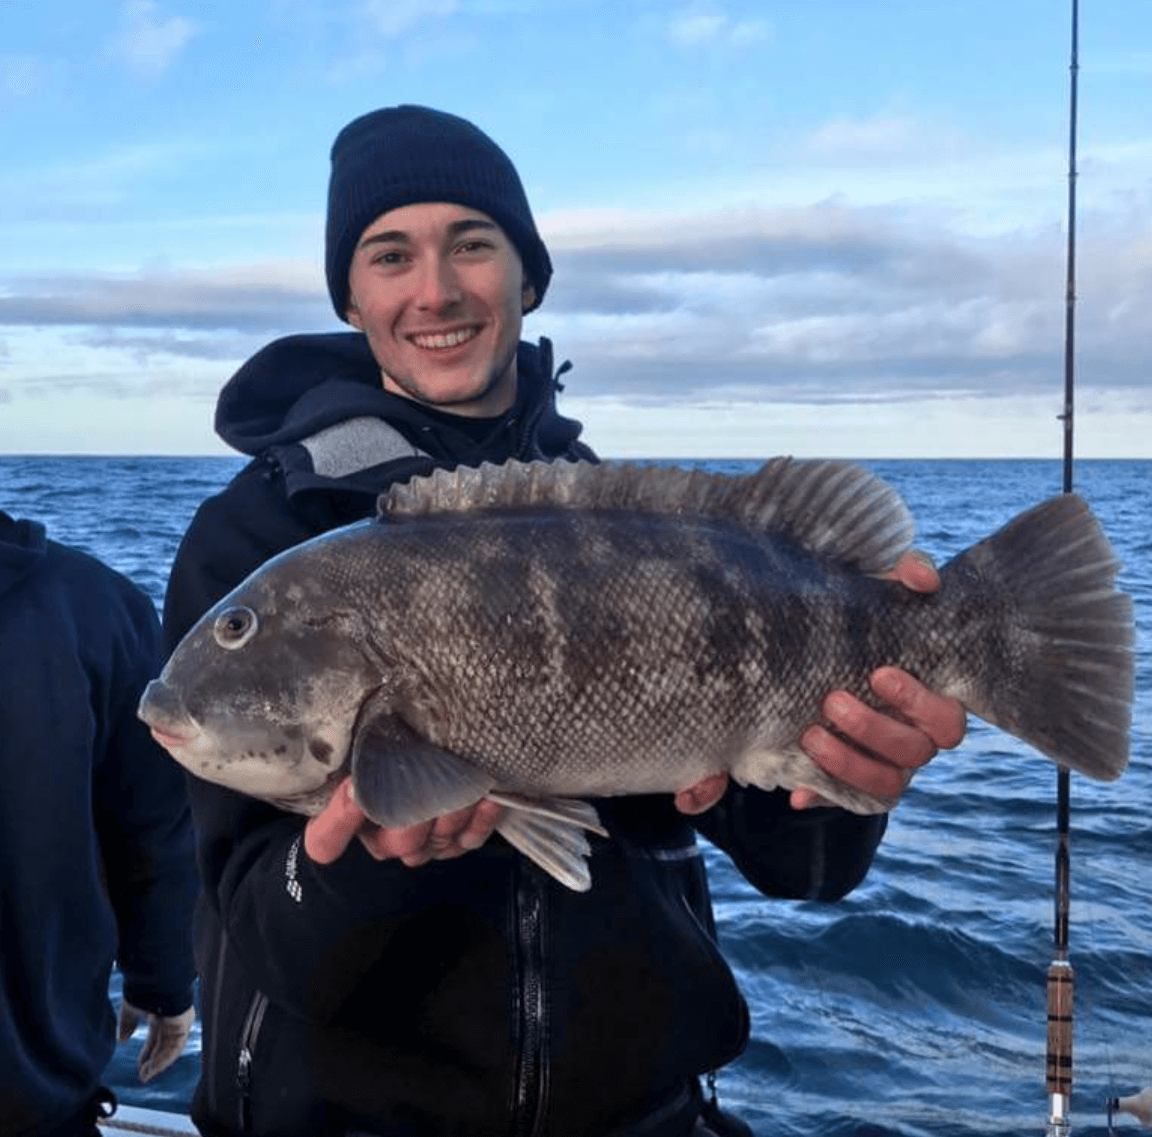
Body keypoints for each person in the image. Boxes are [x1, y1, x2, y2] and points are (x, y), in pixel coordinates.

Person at [161, 104, 967, 1137]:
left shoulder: (623, 527)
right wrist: (362, 862)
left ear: (527, 277)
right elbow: (263, 940)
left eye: (473, 244)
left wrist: (857, 772)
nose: (436, 289)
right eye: (390, 254)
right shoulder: (257, 541)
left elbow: (802, 868)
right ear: (353, 298)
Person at [0, 508, 198, 1136]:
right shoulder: (98, 605)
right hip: (34, 1092)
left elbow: (154, 820)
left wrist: (162, 973)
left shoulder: (98, 607)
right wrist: (163, 978)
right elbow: (155, 824)